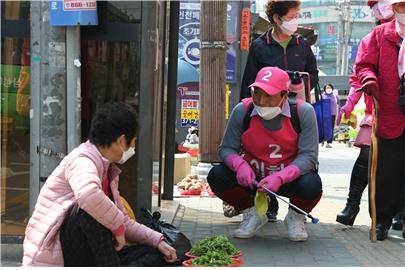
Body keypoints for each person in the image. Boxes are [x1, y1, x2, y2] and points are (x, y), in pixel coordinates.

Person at [22, 102, 177, 266]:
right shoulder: (82, 160)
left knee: (156, 255)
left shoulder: (108, 169)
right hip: (57, 254)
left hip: (91, 252)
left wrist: (158, 240)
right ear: (122, 140)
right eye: (134, 141)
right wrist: (117, 228)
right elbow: (88, 197)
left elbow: (124, 222)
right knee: (90, 210)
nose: (133, 147)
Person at [208, 67, 322, 241]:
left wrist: (281, 177)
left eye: (269, 96)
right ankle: (251, 213)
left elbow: (309, 156)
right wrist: (239, 165)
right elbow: (226, 149)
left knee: (311, 184)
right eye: (257, 93)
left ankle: (295, 216)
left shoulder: (303, 112)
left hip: (287, 179)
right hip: (252, 178)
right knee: (217, 175)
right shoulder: (242, 110)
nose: (261, 101)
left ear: (284, 95)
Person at [336, 0, 398, 228]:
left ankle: (398, 213)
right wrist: (349, 104)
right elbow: (359, 74)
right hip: (378, 111)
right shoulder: (374, 37)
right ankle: (352, 204)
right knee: (367, 156)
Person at [355, 0, 405, 240]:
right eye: (402, 6)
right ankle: (381, 221)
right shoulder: (379, 34)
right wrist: (369, 79)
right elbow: (364, 64)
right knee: (386, 172)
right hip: (389, 113)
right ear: (394, 8)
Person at [240, 0, 319, 101]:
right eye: (290, 17)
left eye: (296, 17)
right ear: (276, 18)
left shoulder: (302, 45)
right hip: (268, 107)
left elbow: (313, 75)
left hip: (297, 108)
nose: (294, 21)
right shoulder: (259, 46)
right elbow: (248, 82)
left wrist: (297, 84)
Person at [321, 84, 339, 148]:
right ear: (325, 89)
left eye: (330, 87)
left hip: (332, 114)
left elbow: (337, 105)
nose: (328, 89)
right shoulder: (322, 96)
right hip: (324, 114)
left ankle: (328, 143)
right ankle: (323, 140)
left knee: (331, 128)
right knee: (324, 128)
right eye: (327, 88)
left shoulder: (335, 96)